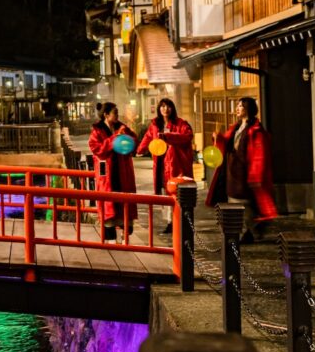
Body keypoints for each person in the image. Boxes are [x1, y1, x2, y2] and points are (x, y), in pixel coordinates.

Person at [205, 97, 277, 244]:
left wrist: (256, 173)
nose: (237, 108)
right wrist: (218, 138)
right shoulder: (236, 127)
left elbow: (259, 154)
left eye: (240, 106)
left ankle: (250, 230)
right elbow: (226, 143)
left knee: (244, 202)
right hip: (233, 171)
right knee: (235, 201)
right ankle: (246, 231)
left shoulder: (255, 130)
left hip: (245, 171)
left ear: (248, 109)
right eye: (237, 106)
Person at [137, 98, 194, 235]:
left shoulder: (181, 123)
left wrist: (168, 137)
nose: (165, 109)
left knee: (175, 192)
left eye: (168, 106)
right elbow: (148, 137)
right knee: (164, 193)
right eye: (162, 106)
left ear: (173, 108)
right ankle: (170, 221)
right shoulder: (155, 124)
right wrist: (139, 149)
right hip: (161, 163)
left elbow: (187, 136)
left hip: (176, 164)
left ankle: (176, 222)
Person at [88, 102, 138, 242]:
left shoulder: (122, 128)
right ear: (106, 115)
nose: (117, 114)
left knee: (124, 204)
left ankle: (123, 239)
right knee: (108, 206)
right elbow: (97, 149)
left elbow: (134, 140)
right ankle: (111, 242)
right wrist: (114, 139)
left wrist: (126, 138)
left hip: (123, 171)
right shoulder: (97, 131)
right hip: (107, 173)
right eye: (115, 112)